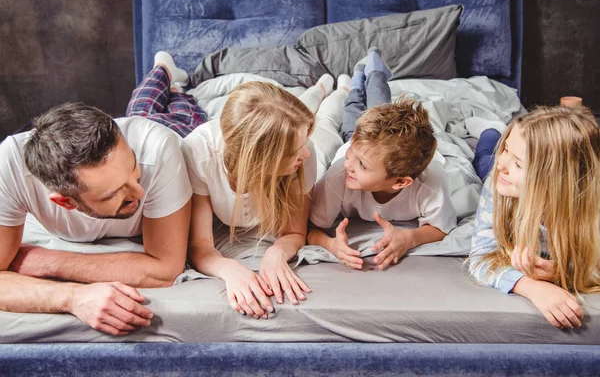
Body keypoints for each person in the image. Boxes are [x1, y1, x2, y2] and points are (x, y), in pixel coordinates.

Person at [0, 102, 193, 336]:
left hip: (173, 128)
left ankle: (166, 73)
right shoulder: (9, 165)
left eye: (133, 168)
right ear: (65, 202)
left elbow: (166, 269)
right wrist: (72, 297)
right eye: (114, 193)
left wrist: (48, 262)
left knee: (177, 106)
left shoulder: (158, 148)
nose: (140, 193)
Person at [181, 70, 351, 320]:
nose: (302, 155)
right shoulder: (199, 154)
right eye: (294, 151)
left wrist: (276, 253)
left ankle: (342, 91)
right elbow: (200, 244)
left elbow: (294, 232)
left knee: (326, 120)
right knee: (308, 117)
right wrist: (229, 270)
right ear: (260, 159)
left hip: (321, 143)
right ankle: (319, 87)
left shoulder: (307, 153)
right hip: (288, 135)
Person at [308, 48, 457, 270]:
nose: (350, 165)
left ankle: (368, 74)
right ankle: (361, 79)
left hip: (370, 148)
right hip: (356, 139)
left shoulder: (431, 183)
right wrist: (330, 244)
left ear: (400, 182)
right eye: (352, 157)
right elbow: (311, 229)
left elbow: (441, 228)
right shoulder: (340, 174)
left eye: (362, 166)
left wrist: (410, 238)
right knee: (353, 115)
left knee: (369, 113)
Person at [469, 105, 600, 329]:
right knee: (485, 160)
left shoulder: (591, 209)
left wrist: (563, 272)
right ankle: (490, 133)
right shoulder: (498, 178)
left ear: (555, 179)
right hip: (494, 178)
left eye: (519, 164)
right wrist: (530, 286)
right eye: (506, 150)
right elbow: (480, 255)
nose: (502, 165)